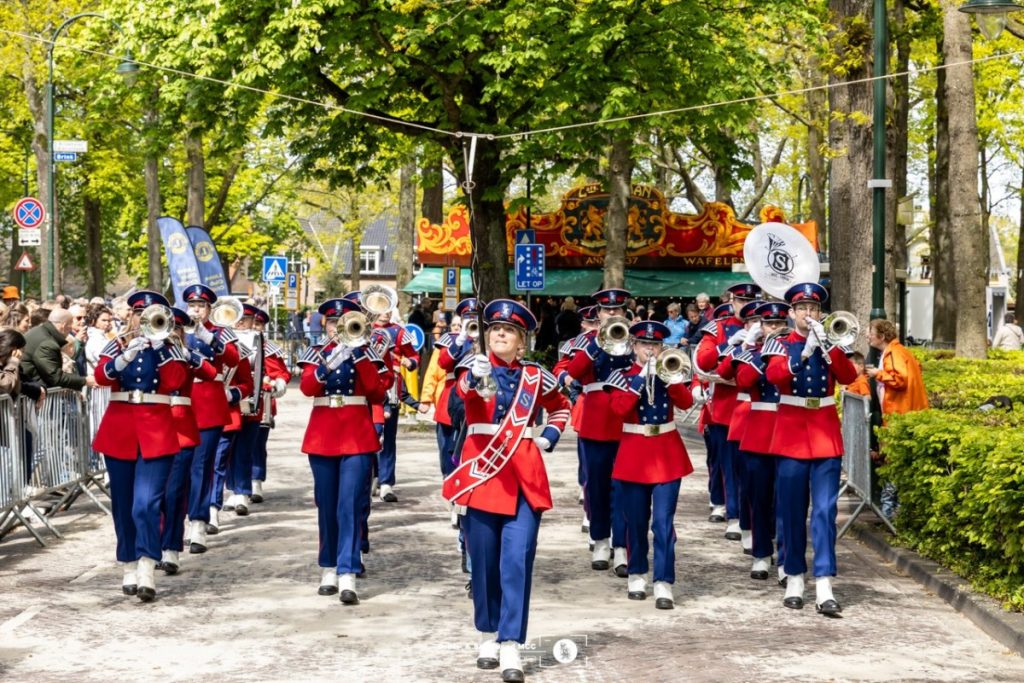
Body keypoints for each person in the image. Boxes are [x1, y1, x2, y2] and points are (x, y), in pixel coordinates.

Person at [442, 299, 571, 682]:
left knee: (517, 561)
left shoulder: (535, 376)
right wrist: (469, 379)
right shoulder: (472, 367)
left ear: (521, 341)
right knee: (483, 563)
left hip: (524, 478)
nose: (500, 333)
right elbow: (454, 407)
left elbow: (562, 406)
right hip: (482, 477)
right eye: (495, 328)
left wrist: (549, 435)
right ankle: (488, 634)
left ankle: (511, 641)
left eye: (509, 330)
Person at [763, 282, 857, 616]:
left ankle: (824, 584)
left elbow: (848, 376)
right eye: (802, 308)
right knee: (791, 510)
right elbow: (773, 376)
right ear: (791, 313)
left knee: (825, 511)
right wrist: (802, 354)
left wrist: (828, 347)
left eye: (813, 308)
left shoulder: (831, 341)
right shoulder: (780, 342)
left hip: (824, 430)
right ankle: (794, 578)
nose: (808, 313)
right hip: (791, 430)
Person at [92, 290, 189, 602]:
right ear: (131, 316)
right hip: (120, 430)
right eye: (138, 314)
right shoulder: (118, 343)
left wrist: (160, 347)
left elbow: (176, 381)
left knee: (146, 503)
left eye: (150, 314)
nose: (143, 319)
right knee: (123, 504)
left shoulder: (170, 348)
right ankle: (129, 563)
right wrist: (123, 358)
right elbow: (101, 376)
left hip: (156, 431)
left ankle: (147, 563)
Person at [298, 297, 388, 604]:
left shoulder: (367, 352)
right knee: (326, 504)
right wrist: (328, 364)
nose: (338, 327)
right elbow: (307, 388)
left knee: (349, 504)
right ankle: (328, 567)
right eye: (334, 323)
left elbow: (376, 392)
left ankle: (348, 571)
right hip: (323, 433)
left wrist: (359, 354)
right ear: (326, 325)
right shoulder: (316, 352)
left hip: (356, 434)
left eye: (344, 322)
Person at [606, 321, 694, 609]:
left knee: (663, 522)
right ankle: (637, 573)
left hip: (667, 451)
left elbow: (686, 403)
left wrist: (670, 379)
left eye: (655, 345)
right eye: (645, 344)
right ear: (634, 346)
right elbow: (618, 410)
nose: (650, 349)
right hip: (634, 452)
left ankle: (663, 581)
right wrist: (639, 379)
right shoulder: (621, 375)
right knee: (635, 520)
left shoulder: (669, 373)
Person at [561, 288, 635, 576]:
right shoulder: (588, 341)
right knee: (596, 485)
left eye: (617, 309)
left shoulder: (635, 339)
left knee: (625, 487)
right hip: (596, 420)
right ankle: (601, 541)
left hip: (627, 419)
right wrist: (597, 343)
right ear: (599, 313)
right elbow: (574, 370)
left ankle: (622, 546)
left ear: (625, 312)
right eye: (607, 310)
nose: (612, 313)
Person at [694, 283, 761, 539]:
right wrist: (729, 345)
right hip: (726, 407)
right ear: (732, 302)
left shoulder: (769, 325)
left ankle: (757, 517)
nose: (746, 306)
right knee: (729, 466)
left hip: (760, 405)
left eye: (750, 301)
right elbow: (704, 361)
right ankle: (733, 515)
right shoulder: (719, 327)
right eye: (741, 301)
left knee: (757, 469)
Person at [731, 301, 791, 584]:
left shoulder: (794, 352)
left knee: (786, 499)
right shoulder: (753, 354)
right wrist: (761, 353)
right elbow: (743, 381)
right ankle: (761, 553)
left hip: (789, 429)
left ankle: (786, 557)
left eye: (779, 324)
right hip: (759, 431)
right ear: (762, 327)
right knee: (759, 496)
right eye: (769, 324)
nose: (774, 328)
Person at [159, 305, 219, 575]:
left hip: (180, 428)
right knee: (152, 495)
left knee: (174, 491)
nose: (171, 332)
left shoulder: (187, 354)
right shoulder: (146, 352)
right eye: (167, 326)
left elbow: (210, 372)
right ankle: (152, 544)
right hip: (152, 428)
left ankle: (171, 547)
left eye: (176, 328)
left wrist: (187, 354)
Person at [182, 284, 241, 553]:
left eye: (201, 306)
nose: (196, 311)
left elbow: (234, 359)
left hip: (207, 401)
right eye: (192, 306)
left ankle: (198, 521)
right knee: (179, 468)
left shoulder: (219, 332)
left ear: (209, 309)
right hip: (181, 401)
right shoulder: (177, 328)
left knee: (202, 466)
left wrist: (208, 338)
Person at [251, 306, 291, 503]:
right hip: (237, 400)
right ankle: (238, 486)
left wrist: (277, 383)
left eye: (258, 324)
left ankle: (256, 481)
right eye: (252, 323)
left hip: (262, 402)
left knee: (257, 444)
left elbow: (281, 373)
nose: (254, 327)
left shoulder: (269, 349)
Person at [21, 308, 97, 391]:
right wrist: (85, 381)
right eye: (70, 324)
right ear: (63, 325)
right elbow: (55, 377)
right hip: (36, 392)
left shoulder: (41, 331)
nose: (71, 328)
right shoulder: (47, 344)